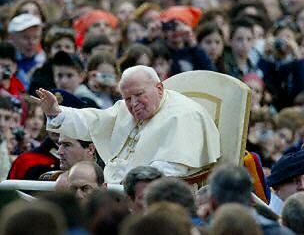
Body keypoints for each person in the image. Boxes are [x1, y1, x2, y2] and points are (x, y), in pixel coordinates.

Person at [34, 65, 220, 183]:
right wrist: (56, 112)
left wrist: (126, 184)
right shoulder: (126, 108)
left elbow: (171, 170)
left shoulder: (183, 116)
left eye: (139, 95)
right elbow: (94, 121)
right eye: (127, 98)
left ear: (159, 89)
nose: (132, 104)